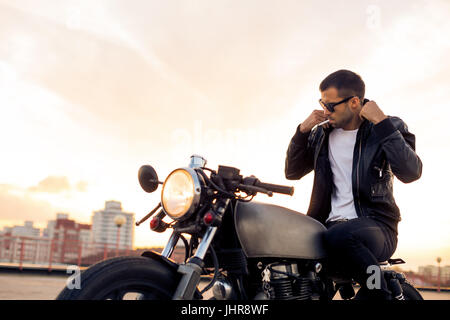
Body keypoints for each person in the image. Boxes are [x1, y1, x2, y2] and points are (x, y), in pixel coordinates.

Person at [284, 69, 422, 300]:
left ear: (354, 102)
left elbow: (411, 172)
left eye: (330, 105)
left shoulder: (388, 127)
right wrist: (302, 132)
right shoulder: (321, 135)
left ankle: (380, 292)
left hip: (378, 226)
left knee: (340, 235)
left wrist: (382, 122)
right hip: (326, 227)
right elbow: (292, 172)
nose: (324, 111)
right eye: (322, 103)